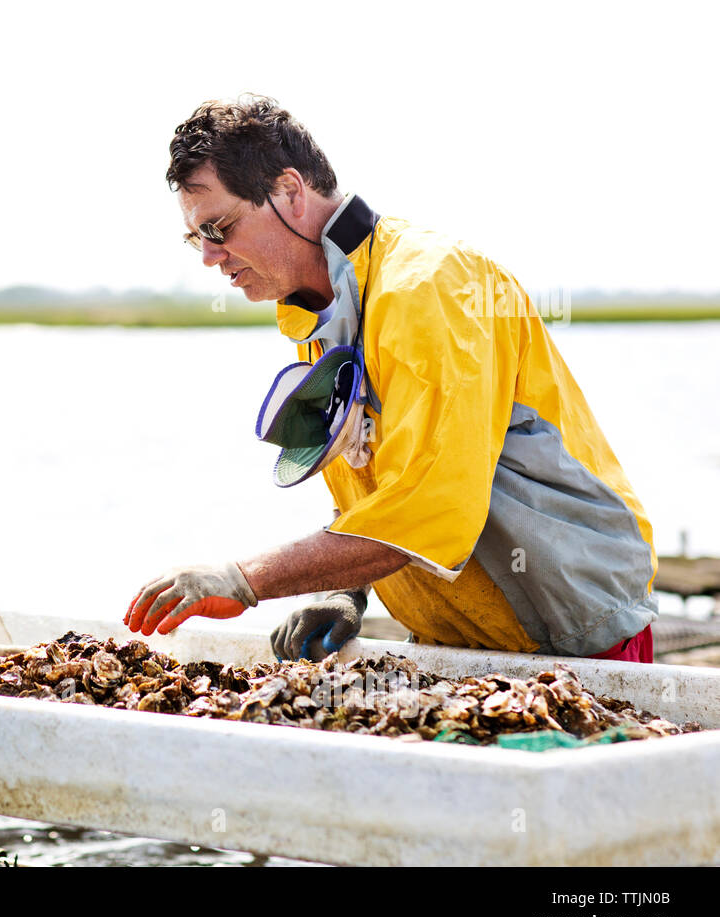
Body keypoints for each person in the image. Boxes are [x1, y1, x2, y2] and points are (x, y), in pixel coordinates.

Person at [125, 96, 657, 664]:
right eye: (195, 238)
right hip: (463, 642)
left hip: (580, 631)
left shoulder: (429, 286)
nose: (209, 256)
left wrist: (241, 579)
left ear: (288, 192)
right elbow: (380, 477)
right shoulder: (317, 312)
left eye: (219, 227)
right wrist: (344, 590)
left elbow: (427, 510)